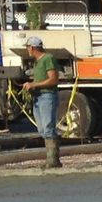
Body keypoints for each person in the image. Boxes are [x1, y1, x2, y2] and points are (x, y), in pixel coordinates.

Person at [21, 35, 64, 169]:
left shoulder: (48, 58)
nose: (27, 49)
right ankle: (51, 158)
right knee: (41, 129)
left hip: (47, 96)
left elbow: (53, 80)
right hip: (38, 97)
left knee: (48, 127)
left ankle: (53, 160)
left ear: (33, 47)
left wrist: (35, 85)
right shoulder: (37, 62)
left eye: (28, 47)